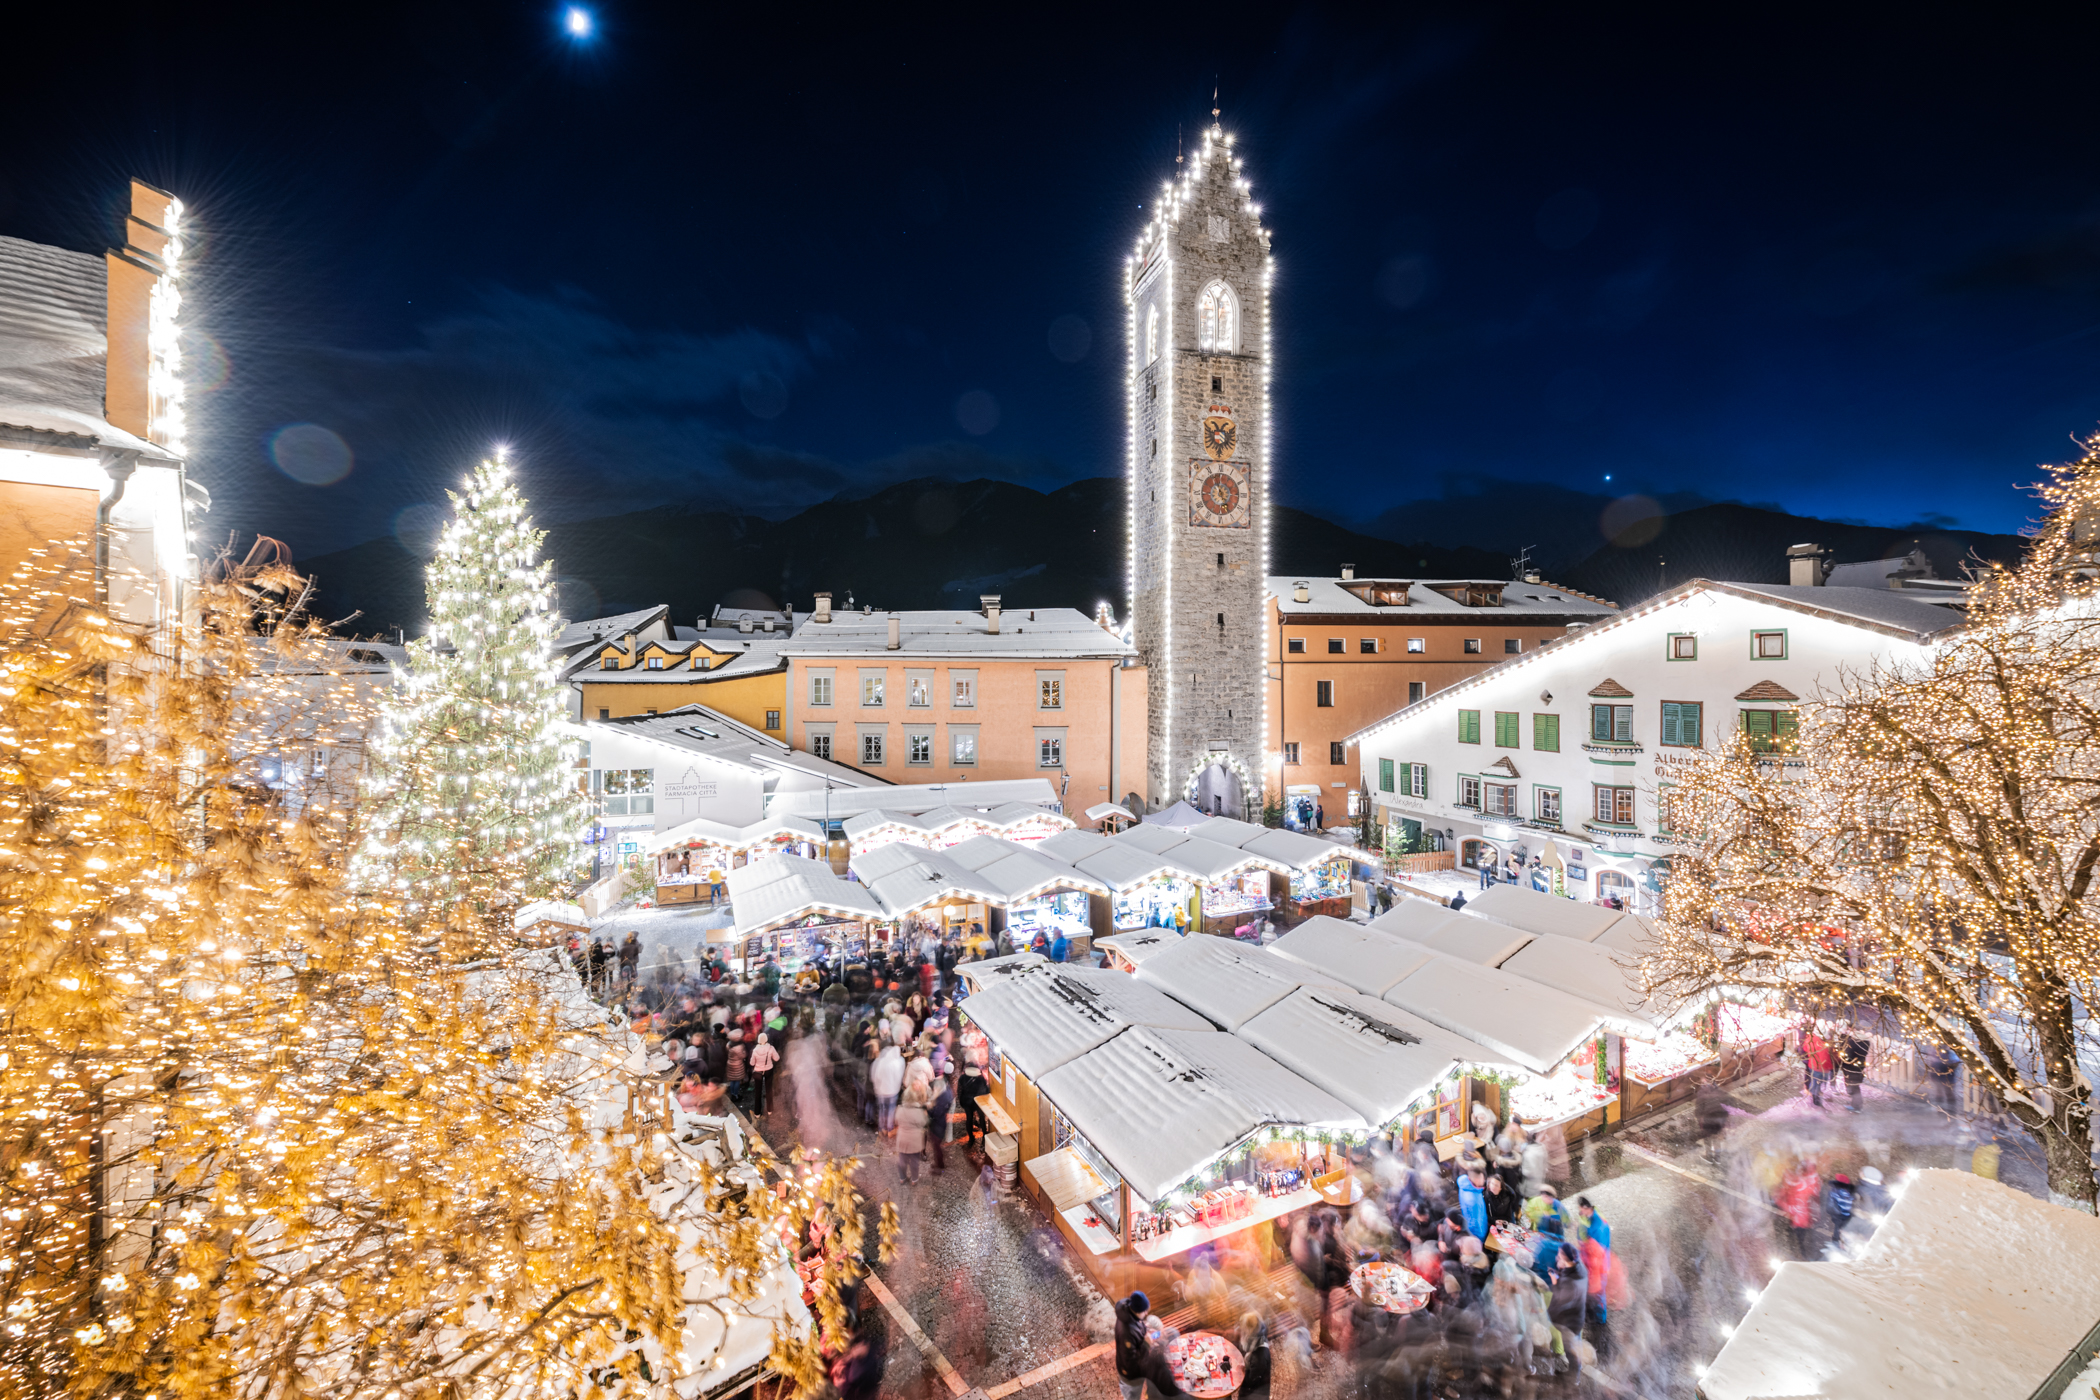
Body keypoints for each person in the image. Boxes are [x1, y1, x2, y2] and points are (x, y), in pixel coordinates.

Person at [1113, 1292, 1153, 1400]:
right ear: (1136, 1310)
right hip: (1132, 1377)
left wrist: (1144, 1328)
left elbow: (1137, 1324)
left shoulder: (1128, 1314)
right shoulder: (1127, 1332)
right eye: (1144, 1311)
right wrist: (1146, 1344)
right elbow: (1132, 1362)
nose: (1146, 1313)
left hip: (1130, 1373)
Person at [1778, 1161, 1821, 1258]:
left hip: (1801, 1222)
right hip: (1804, 1221)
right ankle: (1803, 1254)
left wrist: (1779, 1201)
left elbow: (1794, 1208)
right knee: (1802, 1240)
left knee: (1801, 1241)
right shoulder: (1805, 1184)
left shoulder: (1801, 1187)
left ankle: (1803, 1255)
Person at [895, 1084, 931, 1183]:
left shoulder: (900, 1109)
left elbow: (897, 1120)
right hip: (915, 1140)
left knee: (902, 1160)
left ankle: (902, 1177)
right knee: (914, 1161)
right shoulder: (919, 1111)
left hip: (902, 1138)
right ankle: (914, 1179)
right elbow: (924, 1123)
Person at [870, 1041, 904, 1138]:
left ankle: (881, 1129)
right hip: (892, 1092)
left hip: (880, 1091)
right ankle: (889, 1129)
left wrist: (877, 1086)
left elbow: (874, 1076)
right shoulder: (898, 1062)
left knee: (882, 1110)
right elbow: (899, 1077)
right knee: (890, 1111)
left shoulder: (879, 1061)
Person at [1236, 1311, 1271, 1399]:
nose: (1242, 1331)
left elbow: (1251, 1381)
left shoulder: (1259, 1356)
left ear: (1250, 1329)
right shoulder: (1260, 1334)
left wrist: (1240, 1371)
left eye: (1244, 1329)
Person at [1695, 1078, 1729, 1161]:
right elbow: (1727, 1105)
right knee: (1716, 1138)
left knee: (1707, 1138)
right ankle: (1717, 1157)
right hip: (1719, 1119)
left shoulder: (1701, 1093)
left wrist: (1698, 1117)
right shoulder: (1720, 1091)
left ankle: (1709, 1156)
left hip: (1708, 1120)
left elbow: (1699, 1108)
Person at [928, 1072, 954, 1171]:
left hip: (937, 1126)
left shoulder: (940, 1099)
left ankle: (939, 1165)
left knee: (937, 1147)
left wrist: (929, 1109)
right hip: (941, 1124)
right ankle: (939, 1164)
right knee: (937, 1145)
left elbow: (936, 1113)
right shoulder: (947, 1093)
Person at [748, 1031, 779, 1116]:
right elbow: (777, 1058)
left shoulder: (755, 1050)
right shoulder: (771, 1048)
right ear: (766, 1039)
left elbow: (752, 1063)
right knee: (768, 1090)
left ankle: (757, 1113)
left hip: (758, 1072)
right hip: (769, 1070)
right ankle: (770, 1110)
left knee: (758, 1092)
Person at [1801, 1025, 1833, 1108]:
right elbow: (1824, 1057)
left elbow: (1805, 1048)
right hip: (1819, 1067)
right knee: (1817, 1083)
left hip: (1815, 1065)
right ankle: (1816, 1100)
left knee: (1816, 1082)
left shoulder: (1810, 1040)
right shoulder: (1822, 1043)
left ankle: (1816, 1095)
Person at [1838, 1032, 1870, 1113]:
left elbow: (1848, 1055)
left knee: (1853, 1087)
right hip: (1859, 1066)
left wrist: (1843, 1056)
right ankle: (1855, 1103)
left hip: (1851, 1067)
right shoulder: (1866, 1042)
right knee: (1855, 1086)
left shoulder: (1853, 1042)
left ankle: (1856, 1106)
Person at [1827, 1172, 1858, 1251]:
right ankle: (1836, 1244)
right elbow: (1831, 1203)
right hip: (1839, 1215)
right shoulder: (1835, 1191)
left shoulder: (1849, 1192)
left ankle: (1844, 1245)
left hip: (1847, 1215)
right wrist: (1837, 1212)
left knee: (1845, 1230)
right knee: (1838, 1230)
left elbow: (1852, 1201)